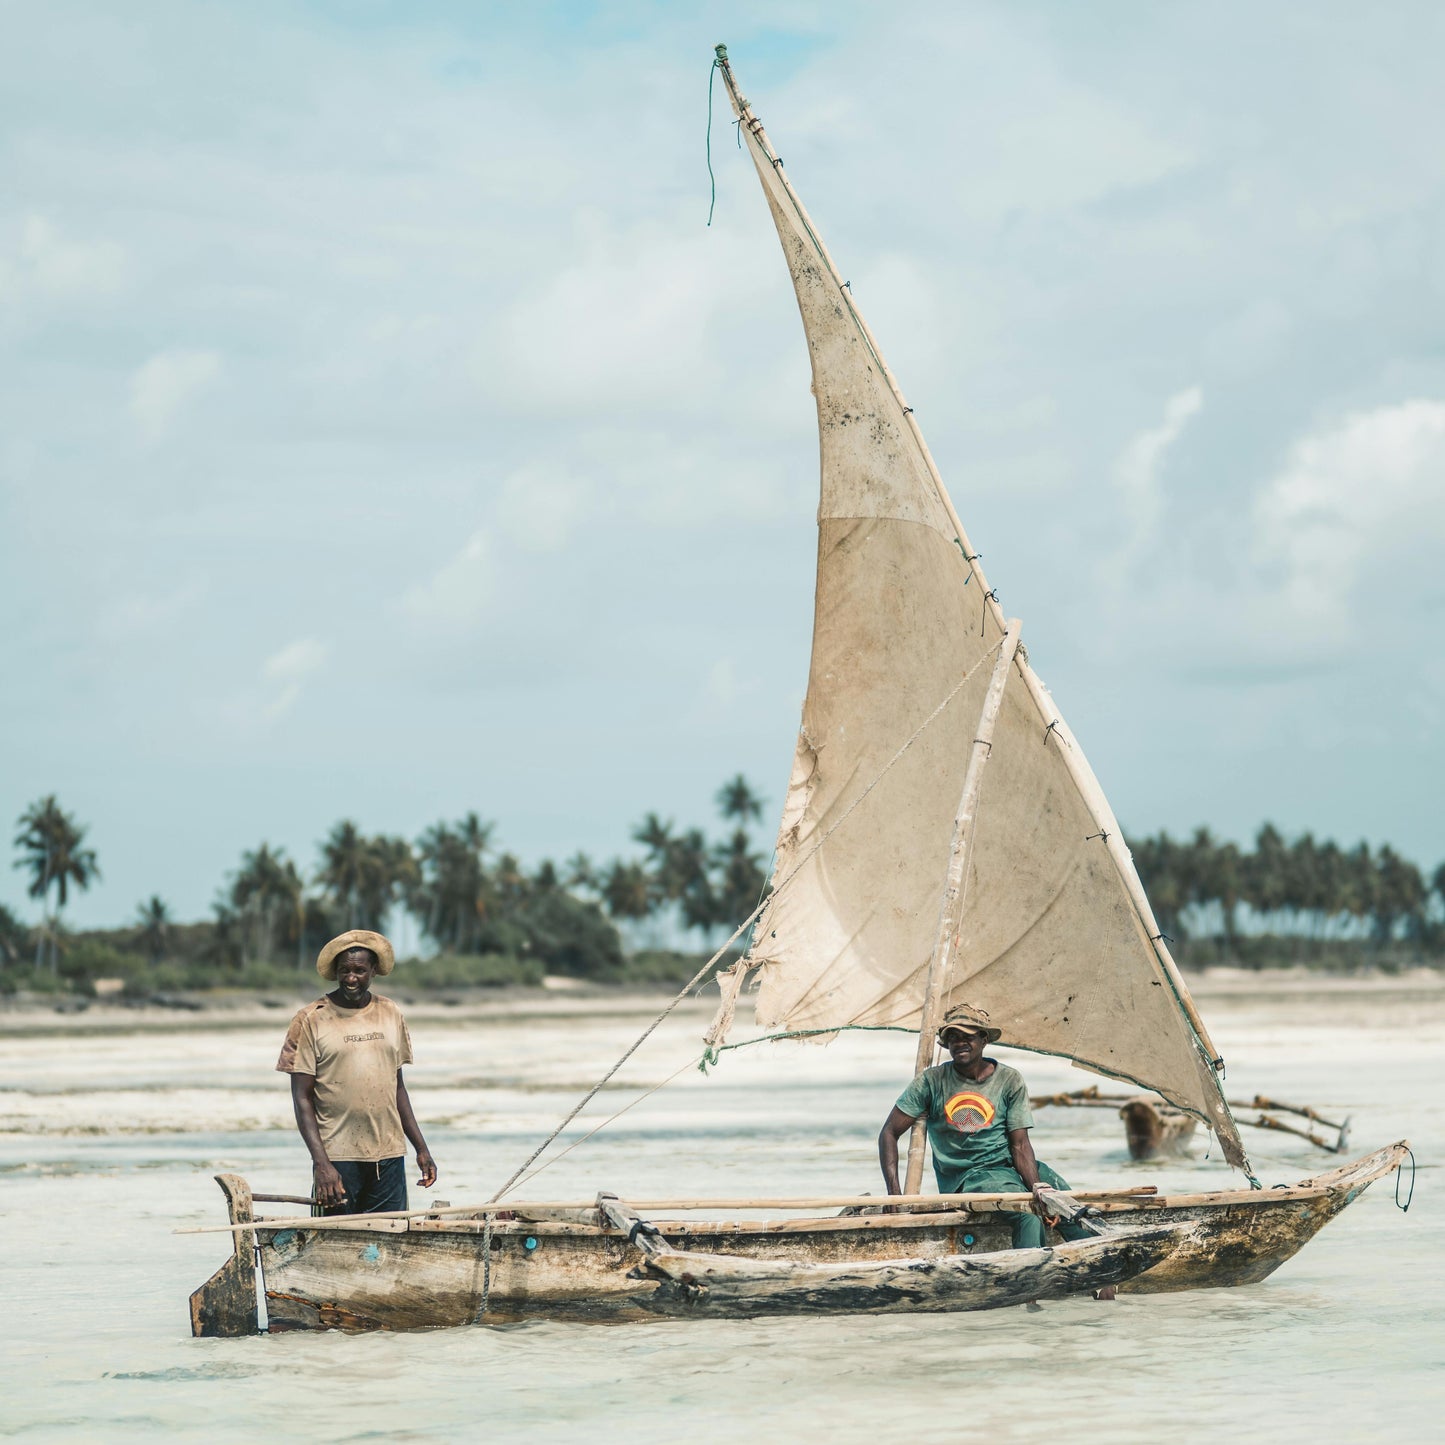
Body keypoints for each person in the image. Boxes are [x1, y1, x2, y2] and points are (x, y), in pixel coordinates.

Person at [877, 1003, 1097, 1255]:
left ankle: (1104, 1277)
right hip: (969, 1178)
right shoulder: (931, 1081)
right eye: (953, 1038)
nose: (960, 1043)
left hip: (1010, 1169)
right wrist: (894, 1195)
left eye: (968, 1036)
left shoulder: (1009, 1080)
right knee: (1027, 1215)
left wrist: (1037, 1187)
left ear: (983, 1040)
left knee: (1068, 1207)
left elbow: (1020, 1144)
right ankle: (1028, 1290)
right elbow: (889, 1133)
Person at [276, 929, 437, 1215]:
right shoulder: (311, 1019)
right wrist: (322, 1164)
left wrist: (421, 1149)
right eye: (344, 971)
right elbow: (302, 1098)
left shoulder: (391, 1013)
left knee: (388, 1244)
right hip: (338, 1159)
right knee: (334, 1246)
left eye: (360, 971)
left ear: (373, 971)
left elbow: (397, 1087)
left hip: (388, 1155)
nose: (351, 979)